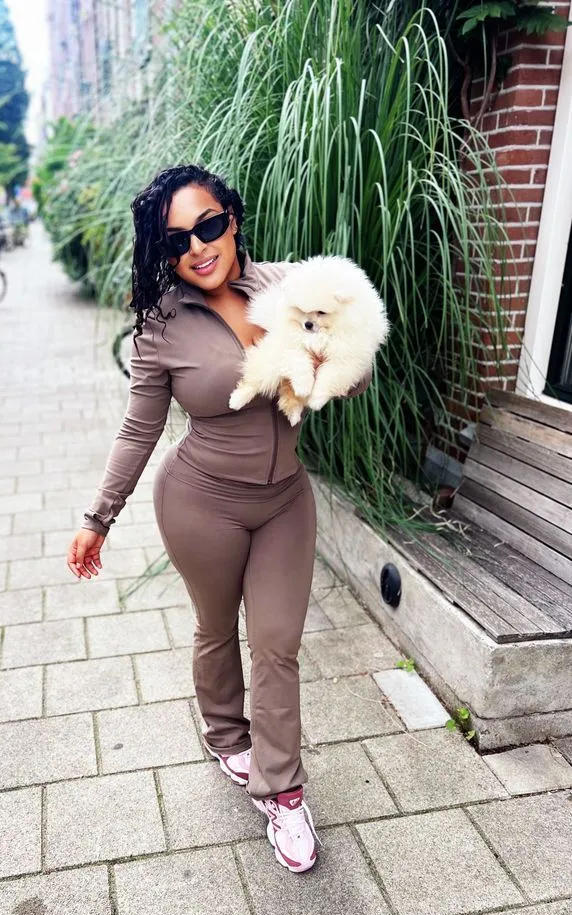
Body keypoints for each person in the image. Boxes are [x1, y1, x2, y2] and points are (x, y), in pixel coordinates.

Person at [66, 163, 372, 873]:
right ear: (163, 252)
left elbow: (355, 371)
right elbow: (139, 429)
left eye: (208, 225)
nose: (199, 247)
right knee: (214, 627)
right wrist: (97, 517)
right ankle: (227, 734)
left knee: (277, 643)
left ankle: (283, 792)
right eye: (177, 240)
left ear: (231, 218)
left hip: (285, 501)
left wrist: (335, 361)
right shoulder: (160, 325)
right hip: (199, 502)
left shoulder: (289, 287)